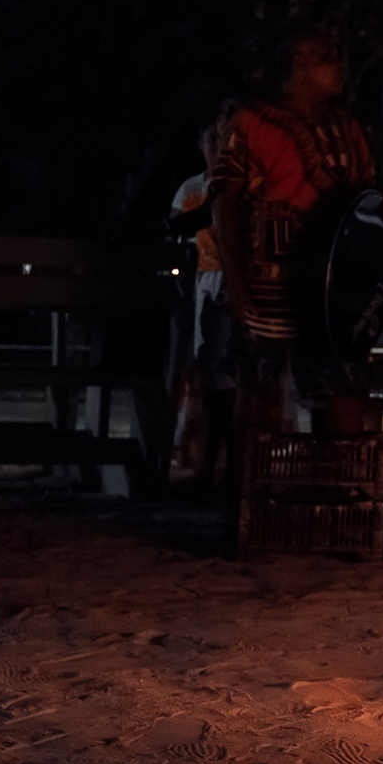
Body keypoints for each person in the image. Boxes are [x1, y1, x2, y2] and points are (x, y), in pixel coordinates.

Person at [208, 31, 378, 455]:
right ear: (299, 63)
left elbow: (367, 204)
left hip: (333, 294)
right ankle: (254, 499)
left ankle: (332, 497)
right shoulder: (254, 123)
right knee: (259, 391)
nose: (339, 65)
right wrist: (237, 281)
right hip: (270, 288)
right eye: (327, 57)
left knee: (343, 390)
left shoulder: (347, 128)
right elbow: (225, 205)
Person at [166, 98, 238, 489]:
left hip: (228, 281)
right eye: (213, 137)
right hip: (204, 282)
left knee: (224, 377)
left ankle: (218, 464)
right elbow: (178, 229)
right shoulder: (194, 189)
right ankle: (199, 455)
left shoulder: (235, 187)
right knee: (205, 374)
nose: (219, 144)